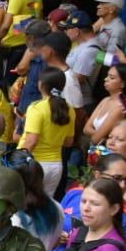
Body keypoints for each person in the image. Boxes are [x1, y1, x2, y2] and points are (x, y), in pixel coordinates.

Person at [20, 65, 76, 196]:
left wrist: (16, 161)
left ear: (41, 84)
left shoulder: (36, 108)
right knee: (44, 206)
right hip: (56, 166)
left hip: (35, 164)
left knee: (23, 207)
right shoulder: (69, 109)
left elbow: (31, 142)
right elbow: (68, 142)